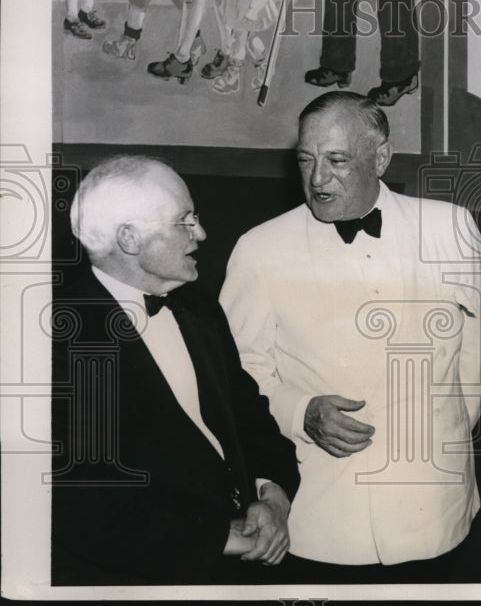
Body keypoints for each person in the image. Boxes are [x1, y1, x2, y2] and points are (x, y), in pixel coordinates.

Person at [220, 91, 481, 581]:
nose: (317, 179)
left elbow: (470, 364)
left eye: (337, 160)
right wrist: (303, 411)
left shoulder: (452, 230)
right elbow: (236, 379)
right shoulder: (259, 250)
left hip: (435, 506)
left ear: (380, 157)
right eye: (306, 160)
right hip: (322, 515)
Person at [51, 156, 300, 585]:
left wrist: (271, 490)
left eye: (196, 217)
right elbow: (80, 502)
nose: (201, 234)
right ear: (130, 238)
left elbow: (248, 414)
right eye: (183, 222)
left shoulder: (199, 306)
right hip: (143, 578)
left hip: (238, 570)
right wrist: (215, 537)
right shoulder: (57, 338)